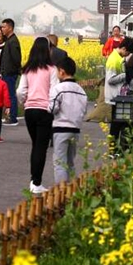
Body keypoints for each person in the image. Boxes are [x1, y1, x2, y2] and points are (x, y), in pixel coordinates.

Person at [17, 37, 59, 194]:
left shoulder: (27, 69)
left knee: (36, 145)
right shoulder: (52, 69)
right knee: (40, 147)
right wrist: (52, 108)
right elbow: (54, 92)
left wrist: (24, 102)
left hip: (29, 111)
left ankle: (33, 180)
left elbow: (20, 91)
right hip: (44, 111)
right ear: (48, 50)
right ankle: (36, 183)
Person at [49, 57, 88, 185]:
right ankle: (71, 188)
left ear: (62, 71)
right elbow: (83, 110)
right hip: (75, 129)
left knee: (59, 161)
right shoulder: (81, 90)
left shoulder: (58, 88)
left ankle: (61, 189)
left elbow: (52, 108)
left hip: (61, 128)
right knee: (70, 161)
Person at [0, 18, 22, 126]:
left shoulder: (13, 41)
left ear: (10, 28)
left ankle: (13, 117)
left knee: (11, 95)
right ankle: (10, 116)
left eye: (4, 27)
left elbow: (16, 59)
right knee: (9, 95)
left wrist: (12, 70)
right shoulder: (9, 40)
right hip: (7, 72)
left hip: (10, 73)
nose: (2, 29)